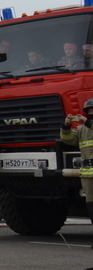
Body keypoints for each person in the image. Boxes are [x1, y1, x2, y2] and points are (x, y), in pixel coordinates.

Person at [60, 98, 93, 247]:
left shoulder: (88, 125)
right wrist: (66, 127)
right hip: (87, 174)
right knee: (91, 206)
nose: (91, 113)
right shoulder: (82, 129)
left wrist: (87, 122)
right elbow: (68, 139)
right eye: (89, 111)